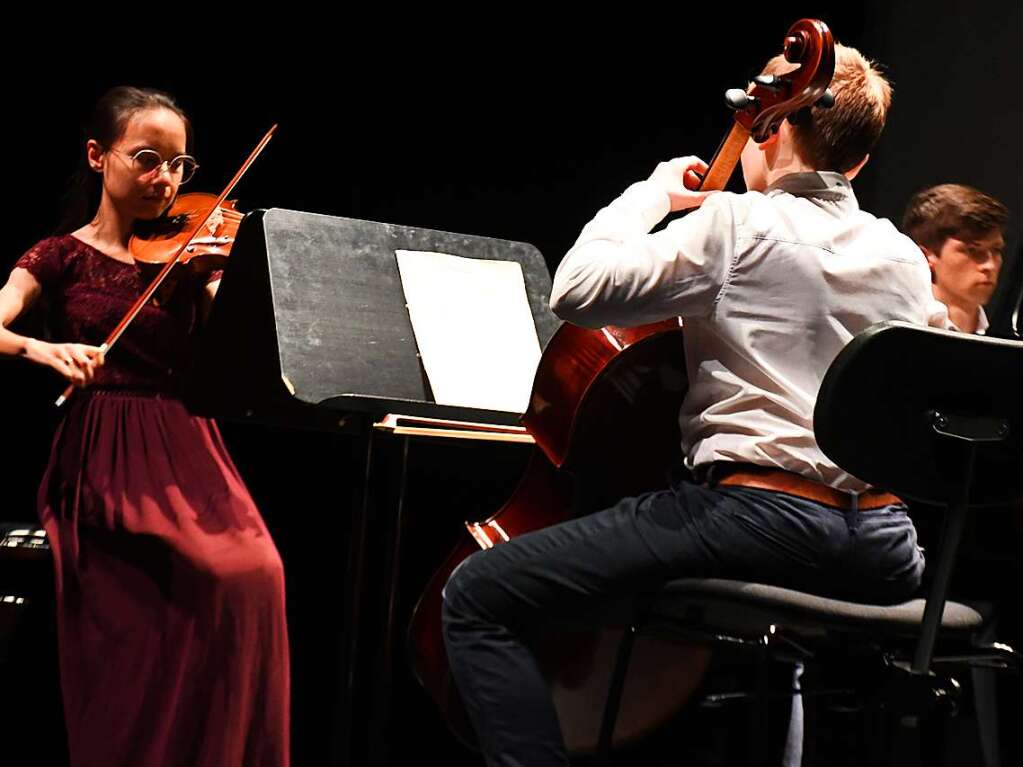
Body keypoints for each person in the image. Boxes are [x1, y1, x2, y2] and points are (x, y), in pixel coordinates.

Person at [441, 44, 949, 766]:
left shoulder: (736, 225)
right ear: (859, 163)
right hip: (887, 543)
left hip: (759, 522)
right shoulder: (900, 255)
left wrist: (653, 195)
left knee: (478, 594)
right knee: (782, 643)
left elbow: (577, 291)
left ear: (768, 128)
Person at [0, 86, 289, 767]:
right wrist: (43, 349)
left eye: (180, 166)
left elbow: (239, 349)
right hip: (106, 446)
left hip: (189, 442)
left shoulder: (193, 254)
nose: (166, 180)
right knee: (203, 577)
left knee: (259, 573)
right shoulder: (58, 255)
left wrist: (225, 284)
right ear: (99, 156)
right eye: (149, 159)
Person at [902, 183, 1008, 334]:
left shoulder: (1008, 342)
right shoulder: (903, 337)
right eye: (972, 250)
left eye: (996, 250)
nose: (990, 265)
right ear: (926, 256)